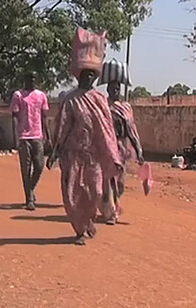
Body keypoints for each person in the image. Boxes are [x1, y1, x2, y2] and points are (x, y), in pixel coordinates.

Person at [48, 69, 122, 245]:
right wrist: (54, 152)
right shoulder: (71, 100)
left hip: (93, 155)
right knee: (73, 194)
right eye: (85, 75)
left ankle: (88, 221)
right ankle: (80, 231)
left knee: (95, 192)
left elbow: (107, 128)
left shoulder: (100, 99)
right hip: (73, 153)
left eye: (91, 75)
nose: (88, 78)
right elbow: (62, 126)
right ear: (78, 76)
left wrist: (112, 153)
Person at [98, 79, 144, 225]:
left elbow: (131, 129)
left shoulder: (125, 108)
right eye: (112, 88)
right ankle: (112, 212)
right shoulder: (103, 107)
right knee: (110, 179)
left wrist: (138, 150)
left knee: (121, 181)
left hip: (122, 147)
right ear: (107, 90)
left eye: (117, 88)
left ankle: (110, 204)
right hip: (107, 146)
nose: (115, 91)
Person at [11, 71, 51, 211]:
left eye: (34, 78)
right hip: (23, 136)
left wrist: (48, 137)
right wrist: (16, 136)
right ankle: (29, 199)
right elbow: (14, 116)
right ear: (25, 79)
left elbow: (44, 117)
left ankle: (31, 189)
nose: (32, 80)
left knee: (39, 166)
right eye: (29, 78)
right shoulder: (18, 95)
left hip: (37, 136)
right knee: (25, 169)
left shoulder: (41, 96)